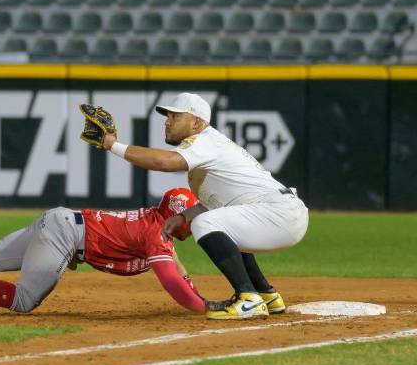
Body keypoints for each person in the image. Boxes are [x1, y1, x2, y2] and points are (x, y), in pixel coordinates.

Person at [96, 92, 309, 320]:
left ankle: (248, 298)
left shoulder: (203, 140)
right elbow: (218, 202)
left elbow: (164, 162)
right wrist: (184, 216)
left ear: (196, 122)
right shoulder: (209, 144)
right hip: (281, 211)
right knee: (222, 224)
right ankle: (265, 294)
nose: (167, 121)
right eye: (167, 116)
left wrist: (112, 145)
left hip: (278, 212)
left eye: (175, 116)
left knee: (205, 224)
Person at [0, 188, 205, 316]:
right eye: (190, 216)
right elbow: (173, 283)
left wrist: (196, 291)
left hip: (61, 220)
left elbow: (176, 266)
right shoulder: (155, 235)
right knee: (25, 301)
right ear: (177, 214)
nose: (192, 222)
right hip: (67, 236)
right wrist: (205, 307)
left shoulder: (157, 222)